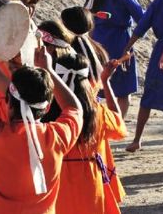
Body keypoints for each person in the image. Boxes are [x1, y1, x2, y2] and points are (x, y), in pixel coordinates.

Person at [0, 33, 84, 214]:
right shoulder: (57, 136)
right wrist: (49, 70)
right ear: (47, 108)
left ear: (7, 102)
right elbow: (74, 108)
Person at [46, 54, 125, 214]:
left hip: (54, 178)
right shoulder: (98, 112)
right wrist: (105, 82)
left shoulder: (44, 110)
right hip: (90, 180)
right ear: (87, 80)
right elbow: (119, 125)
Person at [86, 0, 144, 118]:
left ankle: (98, 124)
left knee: (96, 88)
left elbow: (86, 22)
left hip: (98, 47)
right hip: (120, 46)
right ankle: (118, 124)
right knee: (122, 92)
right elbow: (143, 19)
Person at [119, 0, 163, 153]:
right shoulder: (161, 0)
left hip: (161, 53)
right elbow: (142, 24)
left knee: (148, 97)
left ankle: (137, 140)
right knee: (148, 97)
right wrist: (127, 47)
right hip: (161, 53)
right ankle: (137, 140)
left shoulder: (160, 0)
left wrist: (127, 47)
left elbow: (142, 25)